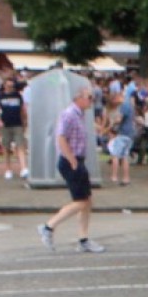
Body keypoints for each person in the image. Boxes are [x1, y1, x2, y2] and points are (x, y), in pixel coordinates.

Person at [38, 84, 104, 253]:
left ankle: (83, 239)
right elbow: (60, 137)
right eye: (89, 97)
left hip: (78, 160)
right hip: (71, 161)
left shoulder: (79, 115)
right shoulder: (69, 114)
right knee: (81, 201)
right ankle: (49, 226)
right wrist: (71, 159)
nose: (91, 101)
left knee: (86, 200)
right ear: (78, 98)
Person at [0, 75, 28, 181]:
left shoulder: (18, 96)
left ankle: (23, 168)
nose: (10, 87)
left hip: (17, 124)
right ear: (4, 85)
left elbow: (22, 109)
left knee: (20, 146)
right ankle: (8, 169)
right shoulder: (0, 96)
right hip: (6, 125)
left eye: (12, 85)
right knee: (6, 148)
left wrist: (25, 121)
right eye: (8, 85)